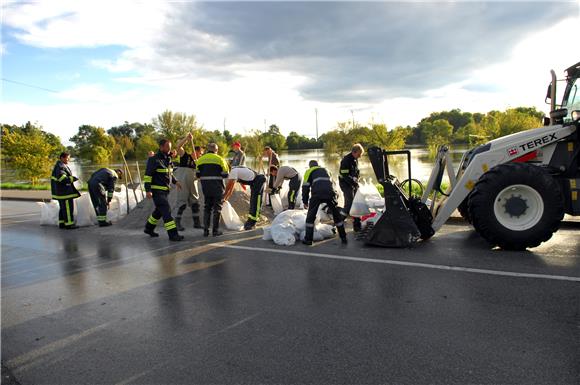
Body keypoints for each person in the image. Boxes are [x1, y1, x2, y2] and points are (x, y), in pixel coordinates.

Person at [143, 139, 184, 241]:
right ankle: (173, 235)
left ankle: (148, 228)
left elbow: (169, 173)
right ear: (161, 147)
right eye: (167, 147)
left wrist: (175, 181)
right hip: (157, 192)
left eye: (170, 147)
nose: (169, 149)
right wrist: (148, 190)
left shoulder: (168, 159)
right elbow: (147, 176)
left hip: (165, 191)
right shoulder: (154, 160)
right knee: (166, 211)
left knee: (159, 211)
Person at [302, 160, 347, 245]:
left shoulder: (309, 171)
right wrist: (335, 197)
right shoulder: (326, 170)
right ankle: (343, 237)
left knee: (311, 216)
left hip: (317, 194)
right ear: (318, 165)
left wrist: (305, 201)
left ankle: (308, 240)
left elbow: (305, 188)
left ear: (310, 166)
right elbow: (333, 184)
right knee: (336, 216)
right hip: (330, 194)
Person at [196, 143, 229, 237]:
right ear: (216, 150)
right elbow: (225, 174)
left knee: (207, 208)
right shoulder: (220, 159)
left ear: (207, 149)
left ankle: (205, 231)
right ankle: (215, 231)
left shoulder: (200, 160)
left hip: (206, 188)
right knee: (217, 209)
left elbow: (197, 175)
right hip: (217, 188)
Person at [173, 133, 202, 231]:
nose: (201, 155)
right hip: (183, 182)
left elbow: (199, 176)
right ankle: (177, 223)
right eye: (200, 153)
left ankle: (196, 223)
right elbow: (178, 147)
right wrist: (186, 138)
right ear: (196, 152)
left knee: (195, 203)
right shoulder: (185, 156)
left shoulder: (198, 163)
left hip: (193, 184)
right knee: (182, 202)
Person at [223, 166, 266, 230]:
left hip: (258, 180)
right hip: (255, 181)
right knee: (252, 200)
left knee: (256, 200)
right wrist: (242, 184)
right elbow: (244, 173)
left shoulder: (233, 171)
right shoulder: (234, 169)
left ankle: (253, 223)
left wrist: (224, 198)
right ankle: (250, 220)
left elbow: (230, 187)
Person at [51, 152, 81, 229]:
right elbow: (62, 179)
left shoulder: (59, 165)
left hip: (60, 192)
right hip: (64, 192)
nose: (68, 160)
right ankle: (69, 224)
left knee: (62, 208)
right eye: (67, 158)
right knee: (68, 208)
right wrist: (73, 178)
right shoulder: (61, 167)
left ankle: (62, 223)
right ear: (62, 158)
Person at [339, 144, 364, 232]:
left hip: (353, 183)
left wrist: (358, 178)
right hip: (345, 184)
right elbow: (345, 175)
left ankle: (357, 225)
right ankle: (339, 221)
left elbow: (357, 171)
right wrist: (353, 183)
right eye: (359, 154)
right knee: (349, 203)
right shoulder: (346, 160)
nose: (360, 156)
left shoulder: (355, 159)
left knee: (356, 202)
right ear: (354, 152)